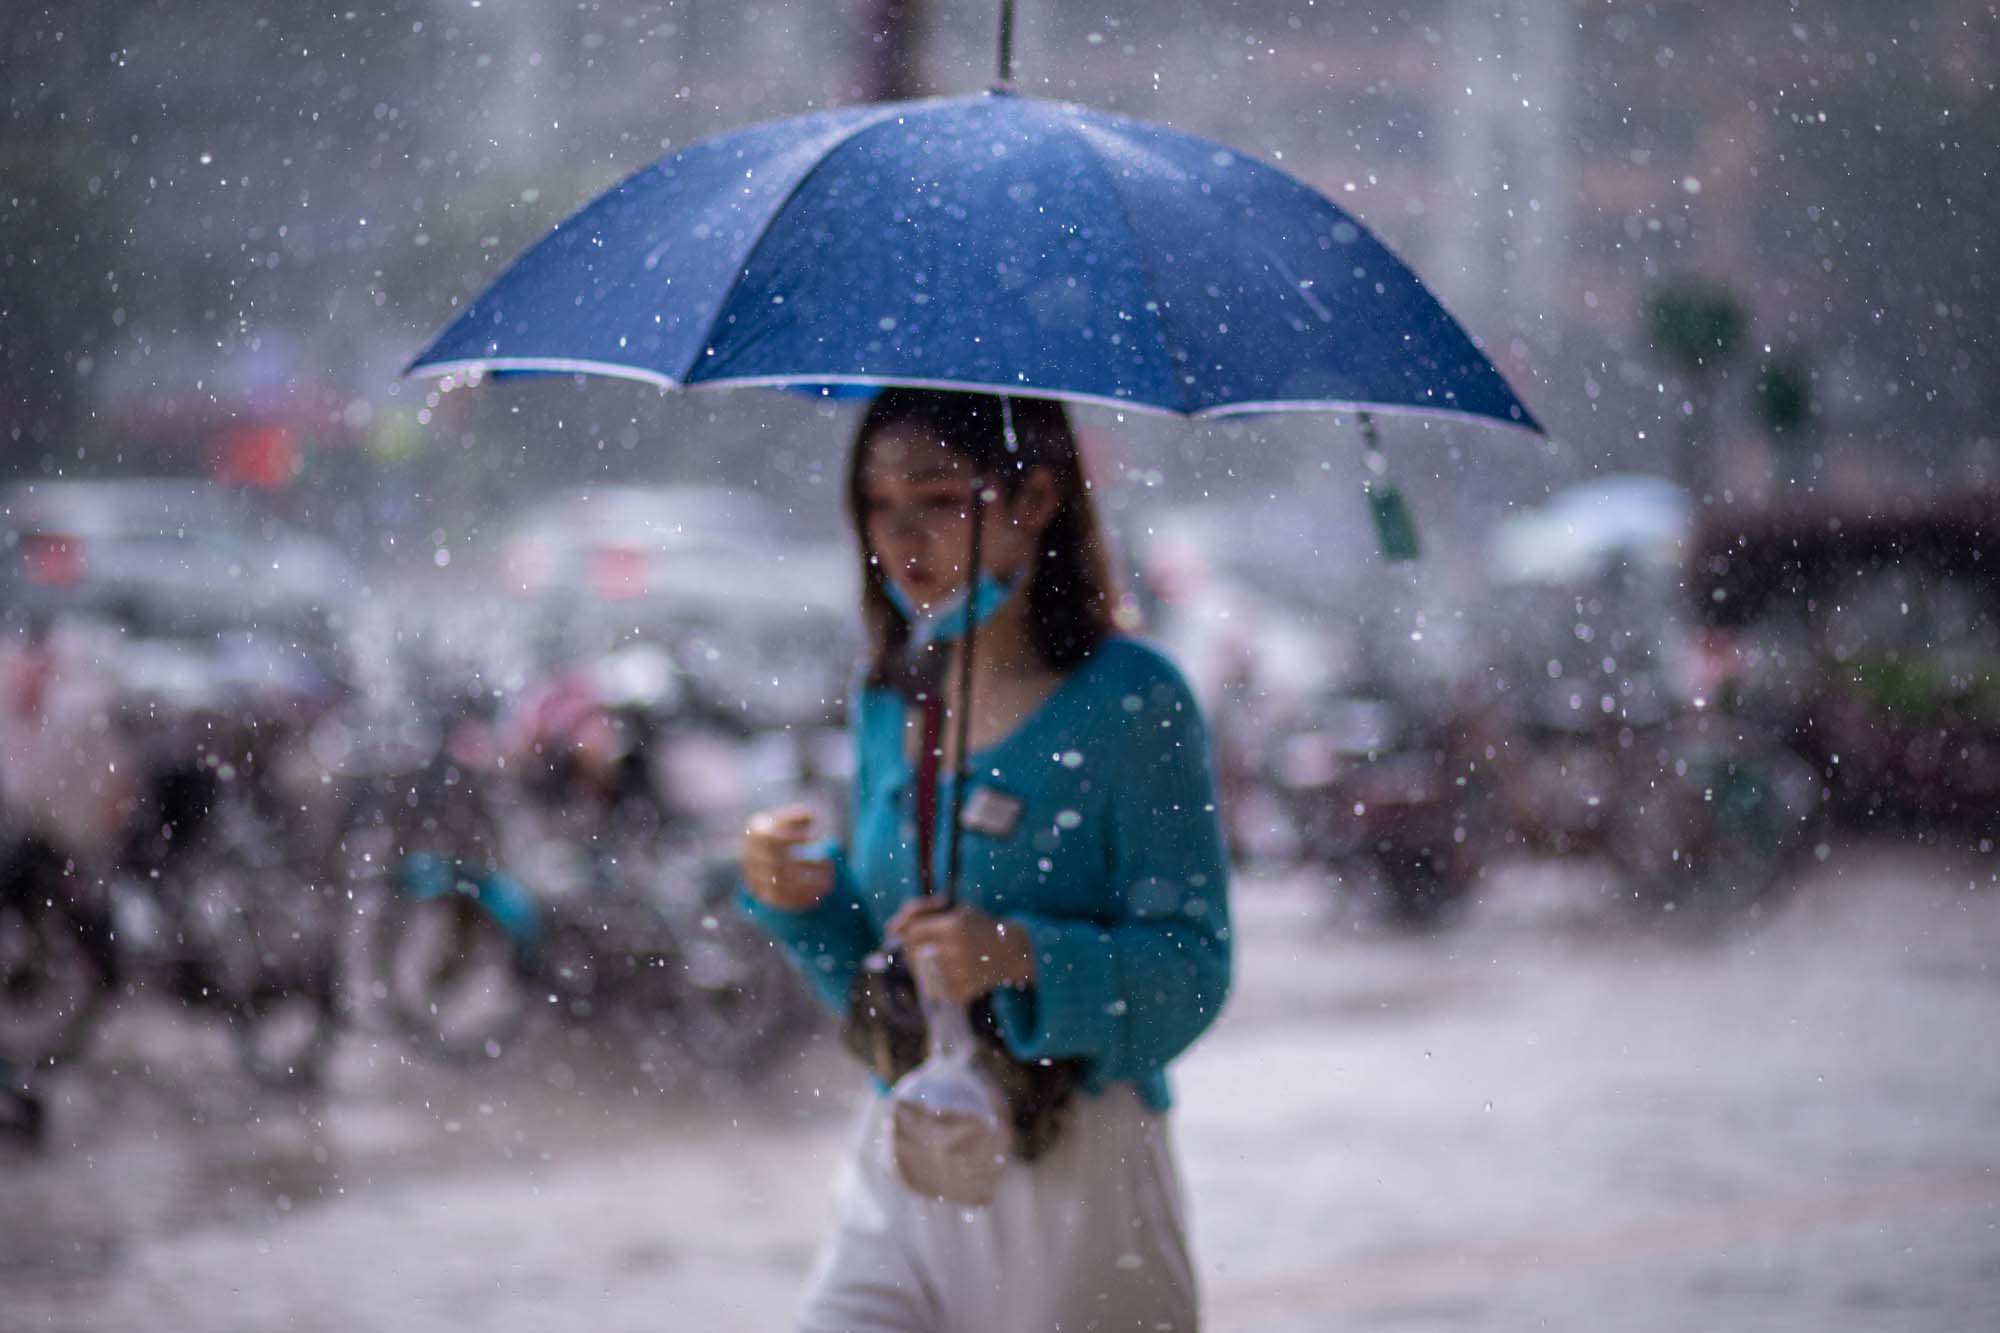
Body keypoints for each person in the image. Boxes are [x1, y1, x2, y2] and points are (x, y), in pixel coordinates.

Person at [738, 389, 1232, 1333]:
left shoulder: (1134, 701)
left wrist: (1020, 956)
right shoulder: (893, 697)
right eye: (877, 506)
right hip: (910, 1155)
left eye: (936, 498)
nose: (901, 536)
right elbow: (884, 971)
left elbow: (1195, 970)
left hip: (1079, 1177)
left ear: (1036, 498)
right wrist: (798, 897)